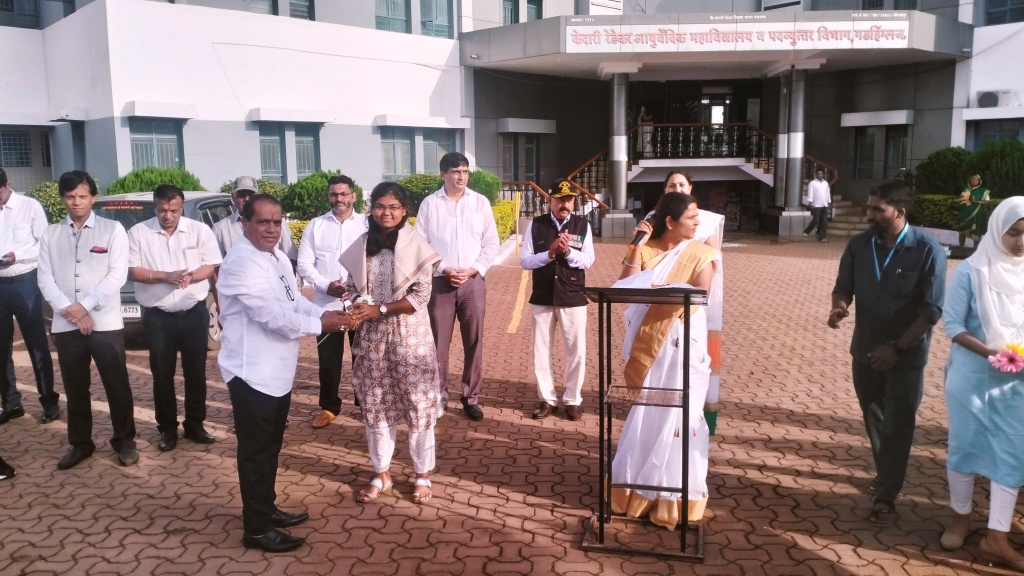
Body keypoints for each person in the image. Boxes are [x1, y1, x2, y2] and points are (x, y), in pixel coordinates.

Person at [216, 193, 347, 553]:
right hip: (251, 373)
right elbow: (270, 315)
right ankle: (257, 530)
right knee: (256, 451)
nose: (271, 229)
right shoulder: (242, 261)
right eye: (263, 221)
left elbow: (294, 301)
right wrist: (320, 325)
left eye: (277, 222)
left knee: (270, 447)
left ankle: (266, 508)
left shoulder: (274, 257)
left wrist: (323, 313)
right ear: (245, 223)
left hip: (276, 371)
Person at [829, 183, 947, 527]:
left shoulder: (927, 250)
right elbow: (843, 287)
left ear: (899, 212)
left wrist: (897, 348)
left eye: (877, 209)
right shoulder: (859, 245)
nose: (869, 214)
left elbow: (931, 310)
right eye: (869, 207)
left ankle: (886, 497)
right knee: (875, 420)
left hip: (905, 355)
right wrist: (839, 307)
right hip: (865, 351)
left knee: (899, 425)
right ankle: (887, 477)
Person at [611, 193, 719, 529]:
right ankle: (637, 488)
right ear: (670, 221)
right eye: (691, 217)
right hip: (650, 343)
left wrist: (666, 289)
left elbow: (701, 295)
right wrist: (637, 243)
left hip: (682, 342)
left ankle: (673, 497)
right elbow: (626, 284)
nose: (697, 222)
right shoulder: (646, 250)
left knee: (679, 416)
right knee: (650, 411)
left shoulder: (702, 253)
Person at [339, 182, 443, 504]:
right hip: (372, 338)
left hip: (410, 337)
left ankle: (422, 473)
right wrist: (356, 304)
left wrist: (379, 309)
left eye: (394, 207)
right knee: (375, 403)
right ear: (371, 209)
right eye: (380, 206)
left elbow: (421, 296)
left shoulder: (416, 244)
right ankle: (381, 473)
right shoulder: (363, 244)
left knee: (417, 403)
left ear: (404, 210)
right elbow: (350, 287)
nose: (386, 212)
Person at [939, 197, 1024, 571]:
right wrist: (989, 352)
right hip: (971, 377)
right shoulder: (971, 271)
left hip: (1015, 382)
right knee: (965, 448)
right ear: (997, 230)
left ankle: (996, 538)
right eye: (1014, 232)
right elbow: (952, 324)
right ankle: (960, 519)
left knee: (1011, 452)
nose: (1021, 242)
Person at [37, 171, 138, 470]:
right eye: (70, 197)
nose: (76, 202)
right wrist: (70, 310)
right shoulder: (51, 234)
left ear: (93, 197)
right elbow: (44, 278)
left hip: (104, 323)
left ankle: (125, 441)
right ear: (62, 199)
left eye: (82, 196)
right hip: (66, 324)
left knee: (116, 384)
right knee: (75, 386)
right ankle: (80, 443)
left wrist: (85, 307)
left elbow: (117, 275)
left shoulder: (112, 230)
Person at [127, 184, 221, 451]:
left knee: (196, 372)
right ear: (155, 207)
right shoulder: (138, 233)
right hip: (159, 317)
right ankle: (167, 429)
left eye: (174, 210)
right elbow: (132, 271)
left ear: (181, 207)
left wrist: (193, 276)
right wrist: (164, 276)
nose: (168, 216)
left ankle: (195, 424)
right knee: (162, 374)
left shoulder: (199, 230)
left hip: (193, 313)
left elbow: (210, 265)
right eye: (162, 210)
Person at [415, 152, 500, 421]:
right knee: (438, 344)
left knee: (474, 342)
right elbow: (420, 245)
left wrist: (474, 270)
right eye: (455, 172)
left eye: (464, 171)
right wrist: (444, 269)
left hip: (473, 283)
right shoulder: (430, 204)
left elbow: (491, 243)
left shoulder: (480, 202)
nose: (461, 176)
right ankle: (438, 396)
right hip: (440, 283)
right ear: (443, 175)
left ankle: (470, 397)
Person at [519, 179, 595, 421]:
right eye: (560, 199)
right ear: (549, 200)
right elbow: (525, 261)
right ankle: (547, 399)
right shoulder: (536, 225)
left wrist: (568, 252)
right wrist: (550, 253)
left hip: (572, 295)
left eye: (569, 199)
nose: (565, 204)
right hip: (542, 295)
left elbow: (588, 260)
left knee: (576, 351)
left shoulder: (582, 225)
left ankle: (573, 399)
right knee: (541, 351)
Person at [297, 175, 367, 428]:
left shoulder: (366, 225)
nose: (339, 198)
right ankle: (328, 407)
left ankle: (365, 405)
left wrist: (357, 287)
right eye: (334, 194)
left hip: (361, 303)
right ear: (329, 197)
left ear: (353, 196)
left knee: (363, 358)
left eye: (343, 193)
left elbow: (375, 260)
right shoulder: (316, 226)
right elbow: (304, 264)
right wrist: (327, 285)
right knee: (328, 361)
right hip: (326, 305)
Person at [659, 171, 726, 433]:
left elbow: (712, 260)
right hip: (660, 303)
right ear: (665, 190)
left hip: (694, 302)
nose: (677, 188)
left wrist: (687, 277)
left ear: (690, 187)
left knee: (695, 361)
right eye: (671, 185)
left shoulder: (704, 221)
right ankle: (660, 420)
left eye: (681, 184)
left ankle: (696, 421)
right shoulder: (654, 219)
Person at [0, 167, 60, 425]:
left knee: (36, 345)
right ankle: (11, 403)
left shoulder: (29, 206)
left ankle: (49, 402)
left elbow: (44, 244)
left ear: (8, 185)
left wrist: (18, 255)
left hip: (25, 283)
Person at [212, 176, 297, 259]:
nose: (246, 199)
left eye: (251, 195)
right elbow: (215, 264)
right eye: (241, 195)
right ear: (233, 198)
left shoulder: (276, 222)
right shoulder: (220, 228)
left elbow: (291, 256)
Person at [956, 174, 991, 249]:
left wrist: (977, 201)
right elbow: (961, 200)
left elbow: (987, 201)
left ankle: (975, 250)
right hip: (965, 213)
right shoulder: (966, 189)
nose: (975, 181)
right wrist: (966, 201)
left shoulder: (983, 191)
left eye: (976, 180)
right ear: (970, 181)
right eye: (973, 179)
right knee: (962, 231)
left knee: (976, 232)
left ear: (979, 181)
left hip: (977, 213)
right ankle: (961, 248)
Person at [803, 169, 832, 242]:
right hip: (816, 205)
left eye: (820, 174)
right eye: (818, 174)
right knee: (815, 220)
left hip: (824, 204)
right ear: (815, 174)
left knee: (824, 222)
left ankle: (822, 237)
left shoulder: (826, 183)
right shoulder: (812, 183)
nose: (819, 175)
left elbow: (827, 193)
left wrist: (829, 202)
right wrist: (810, 203)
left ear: (823, 174)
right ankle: (806, 231)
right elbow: (810, 193)